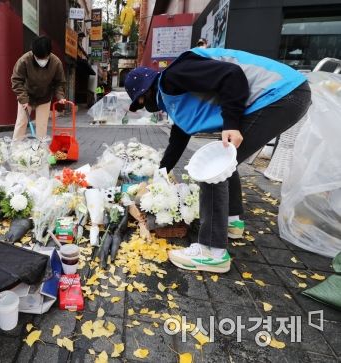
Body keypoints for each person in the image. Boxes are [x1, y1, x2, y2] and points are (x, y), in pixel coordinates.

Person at [125, 48, 311, 273]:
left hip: (279, 94)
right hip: (287, 94)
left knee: (212, 166)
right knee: (226, 160)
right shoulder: (174, 92)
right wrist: (160, 173)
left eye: (142, 100)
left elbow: (232, 75)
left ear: (147, 88)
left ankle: (212, 252)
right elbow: (179, 136)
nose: (146, 106)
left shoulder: (174, 75)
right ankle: (232, 221)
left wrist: (231, 123)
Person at [11, 36, 67, 140]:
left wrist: (60, 96)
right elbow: (16, 80)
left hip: (44, 97)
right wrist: (23, 98)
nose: (41, 61)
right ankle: (16, 149)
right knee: (21, 123)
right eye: (38, 58)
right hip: (26, 96)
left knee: (42, 126)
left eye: (44, 58)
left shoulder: (56, 62)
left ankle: (41, 151)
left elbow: (59, 82)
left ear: (49, 54)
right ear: (33, 53)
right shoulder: (24, 60)